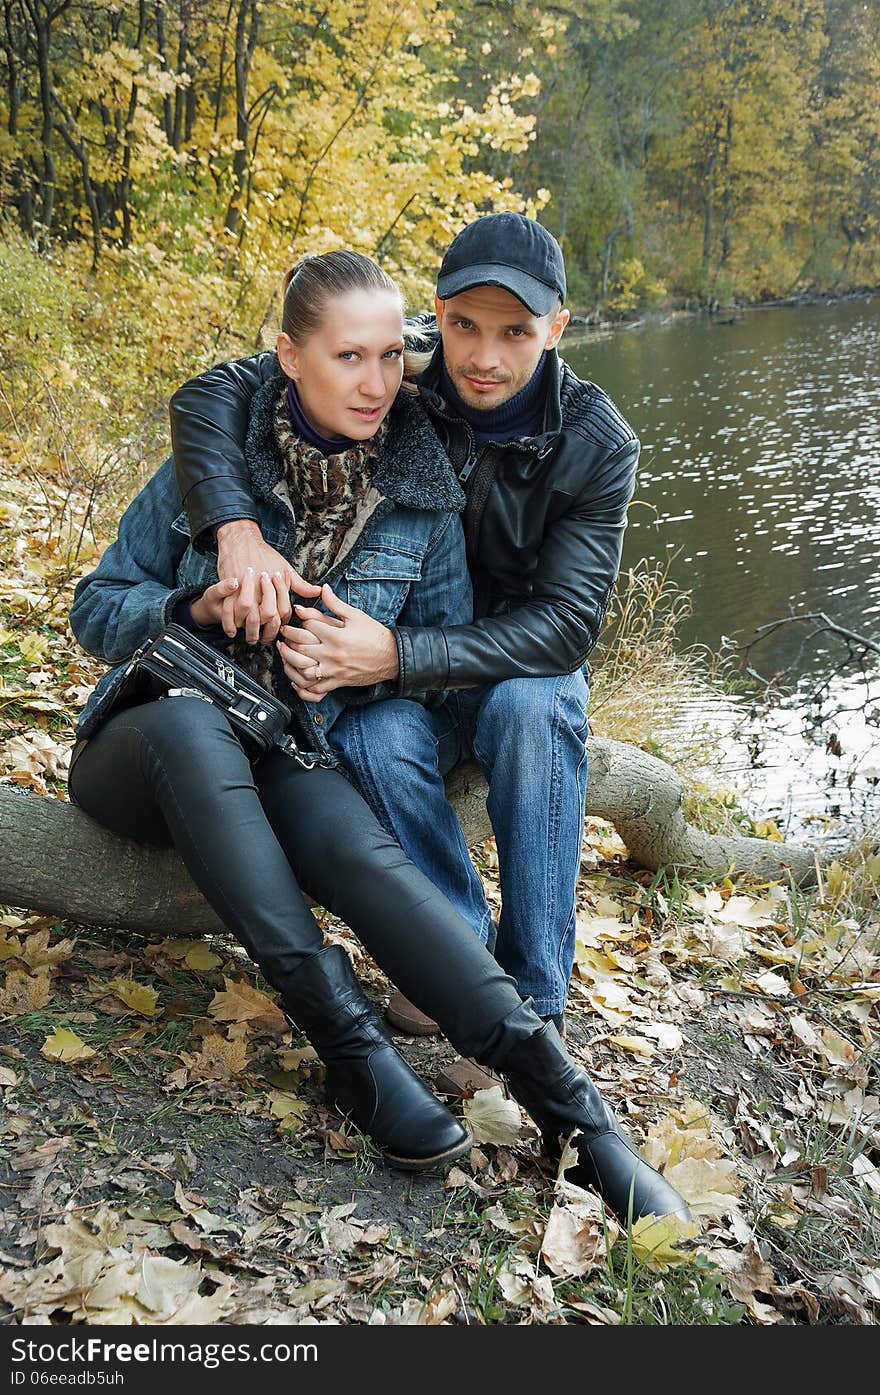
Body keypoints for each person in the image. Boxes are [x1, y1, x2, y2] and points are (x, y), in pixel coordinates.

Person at [69, 247, 688, 1223]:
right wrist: (196, 605)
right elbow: (96, 607)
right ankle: (351, 1052)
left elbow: (430, 645)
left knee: (354, 846)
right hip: (148, 738)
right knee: (192, 728)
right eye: (347, 357)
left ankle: (574, 1113)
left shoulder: (420, 491)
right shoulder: (218, 465)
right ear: (290, 357)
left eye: (391, 358)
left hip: (282, 743)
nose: (375, 382)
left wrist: (368, 662)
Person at [167, 214, 639, 1094]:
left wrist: (396, 653)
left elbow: (569, 626)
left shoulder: (597, 444)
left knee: (534, 705)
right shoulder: (399, 366)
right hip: (400, 665)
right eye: (464, 325)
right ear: (437, 313)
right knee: (376, 737)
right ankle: (457, 966)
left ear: (558, 328)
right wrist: (234, 530)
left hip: (510, 667)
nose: (484, 357)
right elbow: (209, 394)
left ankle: (535, 1002)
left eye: (515, 332)